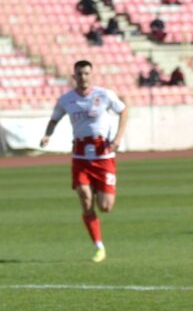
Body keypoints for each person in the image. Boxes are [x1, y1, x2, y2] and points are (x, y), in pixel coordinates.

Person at [39, 60, 128, 263]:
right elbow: (54, 119)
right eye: (79, 73)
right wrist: (47, 135)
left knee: (105, 206)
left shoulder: (104, 95)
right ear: (74, 76)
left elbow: (123, 111)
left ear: (92, 74)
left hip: (103, 156)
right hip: (80, 156)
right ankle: (99, 246)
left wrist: (118, 138)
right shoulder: (66, 100)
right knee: (85, 200)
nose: (83, 77)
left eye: (87, 73)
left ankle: (98, 189)